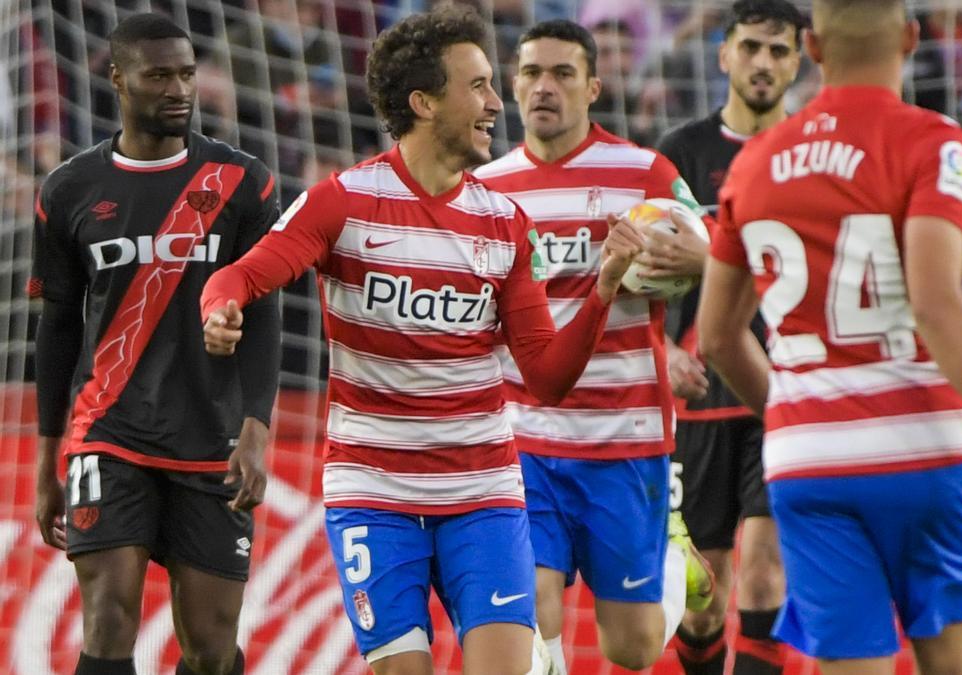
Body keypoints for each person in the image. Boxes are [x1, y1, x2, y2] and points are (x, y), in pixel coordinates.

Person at [199, 8, 641, 675]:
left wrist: (603, 289)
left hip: (482, 489)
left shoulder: (505, 224)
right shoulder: (343, 201)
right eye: (481, 87)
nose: (498, 103)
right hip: (374, 490)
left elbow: (546, 376)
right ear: (424, 102)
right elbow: (240, 273)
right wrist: (221, 305)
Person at [696, 1, 962, 674]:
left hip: (809, 460)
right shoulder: (933, 140)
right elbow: (937, 301)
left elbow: (715, 336)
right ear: (912, 39)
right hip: (924, 451)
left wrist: (795, 411)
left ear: (813, 47)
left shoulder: (755, 163)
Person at [30, 13, 281, 675]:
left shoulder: (242, 182)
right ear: (116, 77)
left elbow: (266, 315)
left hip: (212, 436)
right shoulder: (70, 189)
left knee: (210, 643)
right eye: (160, 74)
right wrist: (45, 459)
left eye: (188, 73)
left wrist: (257, 426)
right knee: (109, 614)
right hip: (107, 430)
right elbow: (57, 327)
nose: (180, 89)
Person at [473, 19, 713, 674]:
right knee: (532, 619)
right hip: (524, 440)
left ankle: (673, 553)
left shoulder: (644, 175)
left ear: (594, 87)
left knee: (630, 649)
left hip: (624, 438)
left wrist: (697, 252)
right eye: (530, 73)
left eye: (562, 74)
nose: (543, 87)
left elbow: (712, 252)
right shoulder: (488, 188)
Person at [652, 2, 803, 673]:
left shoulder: (811, 153)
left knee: (767, 575)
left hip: (786, 391)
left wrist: (707, 257)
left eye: (778, 50)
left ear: (800, 59)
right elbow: (642, 278)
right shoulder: (680, 154)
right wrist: (661, 352)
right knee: (703, 596)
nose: (763, 63)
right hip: (701, 394)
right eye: (751, 48)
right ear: (724, 55)